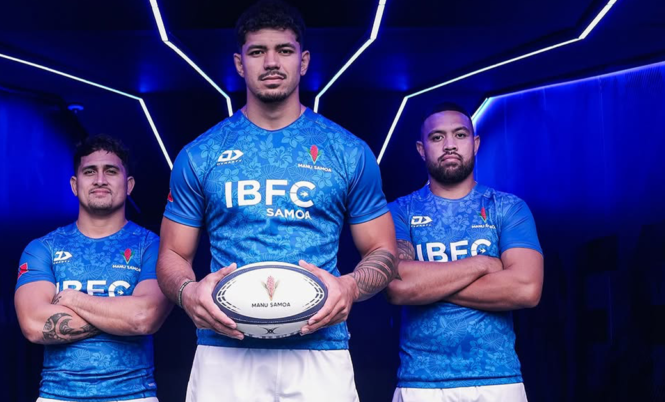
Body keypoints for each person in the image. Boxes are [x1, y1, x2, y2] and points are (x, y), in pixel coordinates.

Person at [155, 1, 398, 400]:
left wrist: (351, 287)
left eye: (284, 51)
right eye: (257, 52)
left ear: (303, 61)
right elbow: (171, 256)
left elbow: (382, 250)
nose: (271, 62)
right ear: (239, 63)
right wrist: (187, 293)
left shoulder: (348, 151)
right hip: (224, 350)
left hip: (321, 349)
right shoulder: (201, 153)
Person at [386, 102, 544, 402]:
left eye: (459, 135)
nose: (449, 145)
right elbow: (396, 286)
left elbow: (526, 288)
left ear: (475, 143)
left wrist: (425, 283)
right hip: (421, 382)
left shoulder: (508, 208)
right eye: (437, 137)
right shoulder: (400, 212)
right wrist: (482, 264)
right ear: (421, 149)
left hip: (498, 380)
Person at [14, 135, 172, 402]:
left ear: (129, 184)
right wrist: (121, 313)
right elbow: (33, 324)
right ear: (75, 185)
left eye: (111, 171)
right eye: (90, 172)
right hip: (57, 396)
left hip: (134, 395)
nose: (100, 179)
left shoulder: (153, 247)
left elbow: (144, 317)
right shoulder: (42, 248)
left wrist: (73, 299)